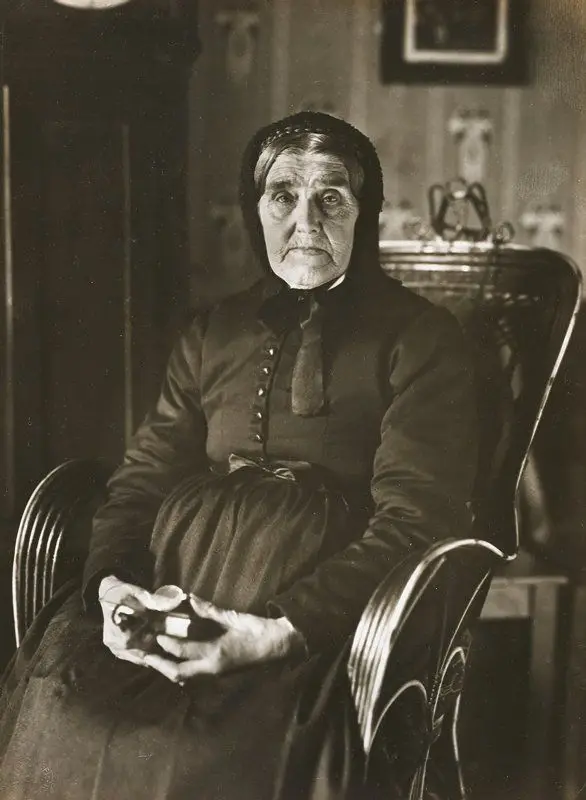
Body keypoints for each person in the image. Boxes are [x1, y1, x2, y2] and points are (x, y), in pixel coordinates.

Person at [0, 111, 478, 799]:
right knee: (65, 703)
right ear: (256, 210)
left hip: (316, 620)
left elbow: (414, 520)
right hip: (175, 589)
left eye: (331, 198)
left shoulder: (422, 340)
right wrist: (114, 590)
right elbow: (141, 481)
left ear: (363, 214)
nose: (306, 221)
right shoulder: (213, 331)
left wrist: (275, 631)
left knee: (192, 751)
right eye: (283, 195)